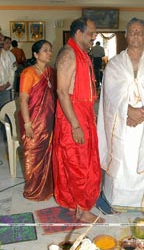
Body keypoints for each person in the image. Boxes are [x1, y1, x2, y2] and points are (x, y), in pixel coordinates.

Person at [97, 17, 144, 213]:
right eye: (132, 31)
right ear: (126, 35)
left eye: (140, 32)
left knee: (142, 157)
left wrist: (142, 113)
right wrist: (128, 111)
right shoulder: (115, 64)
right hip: (121, 122)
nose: (136, 35)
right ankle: (117, 199)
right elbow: (110, 95)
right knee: (123, 158)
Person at [53, 17, 104, 223]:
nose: (94, 37)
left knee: (88, 161)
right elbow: (62, 92)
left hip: (83, 114)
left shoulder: (82, 54)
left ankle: (78, 205)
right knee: (78, 163)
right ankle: (83, 210)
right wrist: (75, 125)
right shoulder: (68, 54)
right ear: (79, 33)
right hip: (72, 117)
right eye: (91, 33)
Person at [18, 39, 56, 201]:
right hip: (33, 122)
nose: (49, 53)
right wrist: (27, 124)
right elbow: (23, 100)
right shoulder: (28, 73)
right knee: (33, 154)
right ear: (35, 54)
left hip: (49, 121)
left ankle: (48, 187)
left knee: (50, 154)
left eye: (50, 50)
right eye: (45, 50)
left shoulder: (51, 72)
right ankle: (34, 188)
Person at [0, 33, 16, 108]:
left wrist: (8, 83)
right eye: (0, 40)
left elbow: (11, 70)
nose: (2, 42)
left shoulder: (6, 54)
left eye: (3, 40)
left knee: (5, 110)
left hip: (5, 88)